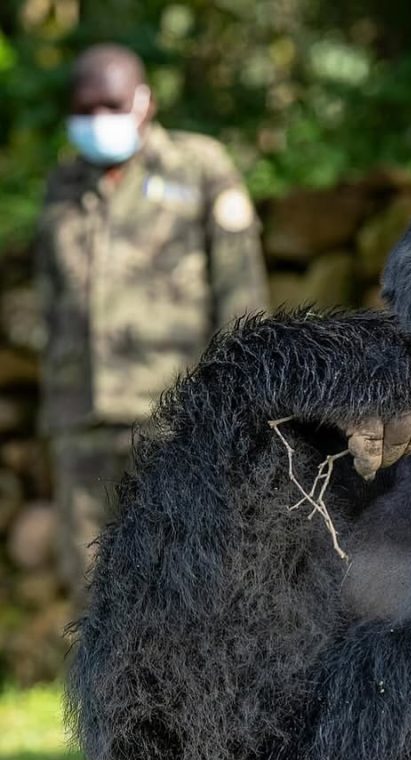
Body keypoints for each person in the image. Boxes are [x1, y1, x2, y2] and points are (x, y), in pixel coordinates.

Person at [36, 43, 268, 608]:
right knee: (93, 596)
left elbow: (241, 295)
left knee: (190, 585)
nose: (98, 121)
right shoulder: (62, 186)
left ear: (145, 102)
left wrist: (236, 406)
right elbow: (52, 304)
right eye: (85, 109)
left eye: (111, 105)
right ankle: (102, 700)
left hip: (175, 416)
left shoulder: (199, 168)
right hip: (82, 419)